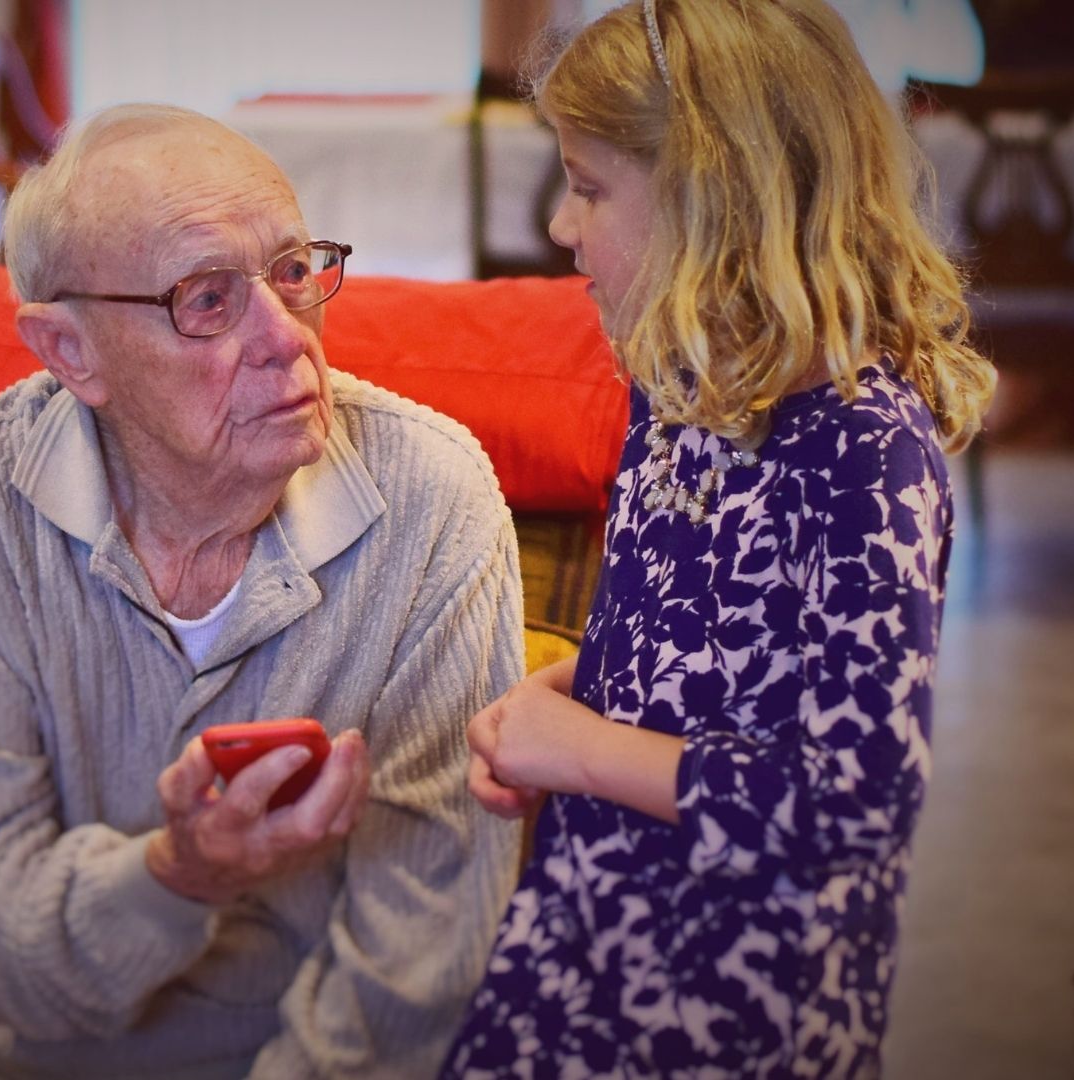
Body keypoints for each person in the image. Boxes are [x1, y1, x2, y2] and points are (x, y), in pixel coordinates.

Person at [0, 103, 525, 1079]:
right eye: (207, 299)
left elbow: (417, 966)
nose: (285, 337)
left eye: (295, 272)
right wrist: (178, 878)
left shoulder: (431, 499)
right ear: (69, 353)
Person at [443, 1, 996, 1076]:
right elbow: (662, 664)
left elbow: (853, 809)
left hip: (736, 1003)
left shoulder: (862, 454)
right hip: (583, 935)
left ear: (718, 201)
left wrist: (586, 754)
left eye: (590, 187)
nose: (562, 225)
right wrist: (551, 704)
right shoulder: (674, 389)